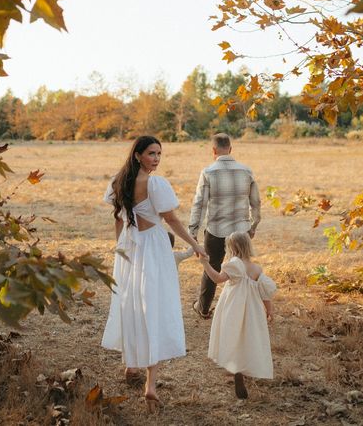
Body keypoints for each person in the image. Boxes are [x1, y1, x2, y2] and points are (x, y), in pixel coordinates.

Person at [102, 135, 206, 413]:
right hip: (152, 248)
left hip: (128, 246)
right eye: (151, 153)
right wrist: (194, 244)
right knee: (153, 307)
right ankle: (150, 384)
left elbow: (117, 218)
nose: (157, 159)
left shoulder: (118, 181)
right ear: (137, 155)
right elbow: (171, 219)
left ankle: (130, 365)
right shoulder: (154, 183)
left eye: (159, 153)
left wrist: (119, 247)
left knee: (133, 302)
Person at [189, 133, 261, 319]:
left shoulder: (208, 172)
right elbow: (256, 202)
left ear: (213, 150)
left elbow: (200, 204)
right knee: (243, 268)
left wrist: (193, 231)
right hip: (241, 231)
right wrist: (252, 226)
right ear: (230, 149)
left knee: (212, 266)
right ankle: (244, 310)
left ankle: (203, 308)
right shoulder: (246, 171)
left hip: (216, 230)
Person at [198, 231, 276, 399]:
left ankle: (234, 368)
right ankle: (245, 368)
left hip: (234, 306)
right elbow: (264, 293)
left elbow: (218, 279)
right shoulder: (256, 268)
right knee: (248, 337)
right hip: (253, 310)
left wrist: (205, 264)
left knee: (232, 335)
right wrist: (269, 310)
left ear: (231, 247)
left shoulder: (234, 264)